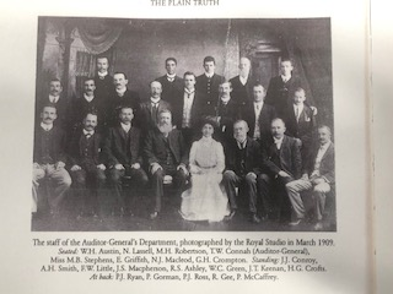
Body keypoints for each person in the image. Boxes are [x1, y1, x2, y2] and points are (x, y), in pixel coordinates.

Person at [285, 125, 335, 230]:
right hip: (311, 178)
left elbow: (336, 171)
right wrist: (305, 173)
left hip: (326, 181)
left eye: (323, 134)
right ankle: (301, 215)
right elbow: (307, 165)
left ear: (330, 135)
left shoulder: (334, 149)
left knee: (318, 189)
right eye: (319, 134)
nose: (320, 137)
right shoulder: (315, 148)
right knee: (290, 186)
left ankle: (319, 220)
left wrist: (323, 179)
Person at [180, 119, 229, 222]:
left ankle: (210, 212)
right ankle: (198, 212)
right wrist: (198, 170)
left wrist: (212, 171)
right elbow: (191, 162)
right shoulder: (196, 144)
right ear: (202, 130)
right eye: (205, 128)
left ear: (213, 131)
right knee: (198, 180)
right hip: (199, 172)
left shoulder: (217, 145)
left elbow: (221, 164)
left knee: (210, 180)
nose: (207, 130)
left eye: (210, 128)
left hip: (214, 172)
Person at [103, 106, 148, 216]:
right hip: (118, 165)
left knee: (143, 178)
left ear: (132, 116)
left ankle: (131, 206)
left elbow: (143, 150)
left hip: (134, 165)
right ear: (119, 116)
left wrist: (138, 162)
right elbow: (107, 150)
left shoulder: (138, 131)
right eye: (124, 114)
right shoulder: (112, 131)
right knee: (114, 178)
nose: (126, 116)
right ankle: (119, 207)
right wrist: (115, 163)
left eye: (129, 114)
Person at [144, 109, 188, 219]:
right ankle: (156, 209)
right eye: (162, 118)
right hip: (160, 165)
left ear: (171, 120)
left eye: (167, 118)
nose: (165, 120)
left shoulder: (177, 134)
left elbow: (185, 152)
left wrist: (183, 164)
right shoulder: (151, 133)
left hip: (175, 165)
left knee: (182, 175)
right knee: (157, 175)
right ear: (158, 120)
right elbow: (147, 150)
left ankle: (176, 207)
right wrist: (153, 163)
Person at [258, 118, 302, 221]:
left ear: (284, 129)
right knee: (262, 178)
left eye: (279, 127)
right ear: (270, 129)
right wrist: (278, 171)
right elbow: (264, 160)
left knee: (286, 182)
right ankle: (268, 211)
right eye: (273, 128)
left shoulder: (292, 142)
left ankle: (285, 215)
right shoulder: (266, 142)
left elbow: (297, 162)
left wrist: (296, 179)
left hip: (287, 174)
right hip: (272, 174)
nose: (276, 130)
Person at [32, 104, 72, 217]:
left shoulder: (61, 132)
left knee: (66, 181)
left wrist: (62, 161)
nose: (48, 116)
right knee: (29, 178)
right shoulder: (34, 130)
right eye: (46, 113)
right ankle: (32, 208)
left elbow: (65, 151)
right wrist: (32, 161)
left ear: (55, 116)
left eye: (51, 113)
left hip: (54, 165)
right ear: (41, 115)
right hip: (37, 165)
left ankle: (52, 206)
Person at [67, 112, 107, 218]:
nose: (90, 124)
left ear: (96, 123)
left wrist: (102, 163)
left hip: (95, 165)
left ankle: (98, 210)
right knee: (80, 180)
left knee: (101, 177)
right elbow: (69, 152)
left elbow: (106, 152)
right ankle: (80, 210)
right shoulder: (76, 136)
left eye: (93, 121)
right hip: (80, 166)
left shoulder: (100, 137)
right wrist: (73, 164)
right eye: (88, 121)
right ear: (84, 122)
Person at [222, 120, 262, 223]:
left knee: (250, 179)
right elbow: (225, 162)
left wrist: (254, 172)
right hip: (236, 175)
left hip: (249, 175)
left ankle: (252, 212)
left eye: (241, 129)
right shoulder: (229, 145)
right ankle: (233, 209)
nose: (238, 132)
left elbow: (260, 164)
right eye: (236, 130)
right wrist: (228, 170)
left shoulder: (255, 145)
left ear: (247, 130)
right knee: (228, 176)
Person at [171, 71, 206, 147]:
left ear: (195, 82)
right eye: (186, 80)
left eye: (191, 80)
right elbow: (174, 111)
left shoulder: (201, 97)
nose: (188, 82)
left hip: (195, 129)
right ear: (183, 81)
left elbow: (203, 114)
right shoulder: (177, 94)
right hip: (180, 128)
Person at [283, 87, 316, 163]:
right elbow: (283, 127)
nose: (298, 100)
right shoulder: (287, 110)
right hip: (290, 141)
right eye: (296, 97)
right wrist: (292, 139)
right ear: (292, 97)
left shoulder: (309, 111)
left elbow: (313, 129)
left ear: (304, 98)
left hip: (304, 144)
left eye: (300, 97)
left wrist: (302, 139)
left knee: (303, 162)